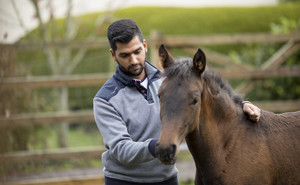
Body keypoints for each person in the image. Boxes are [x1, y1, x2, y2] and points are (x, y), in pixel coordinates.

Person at [93, 18, 261, 185]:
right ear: (113, 55)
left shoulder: (169, 82)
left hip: (166, 178)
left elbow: (204, 101)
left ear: (144, 45)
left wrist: (242, 105)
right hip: (124, 181)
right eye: (125, 55)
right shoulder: (105, 99)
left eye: (137, 51)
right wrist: (156, 147)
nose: (134, 60)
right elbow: (120, 149)